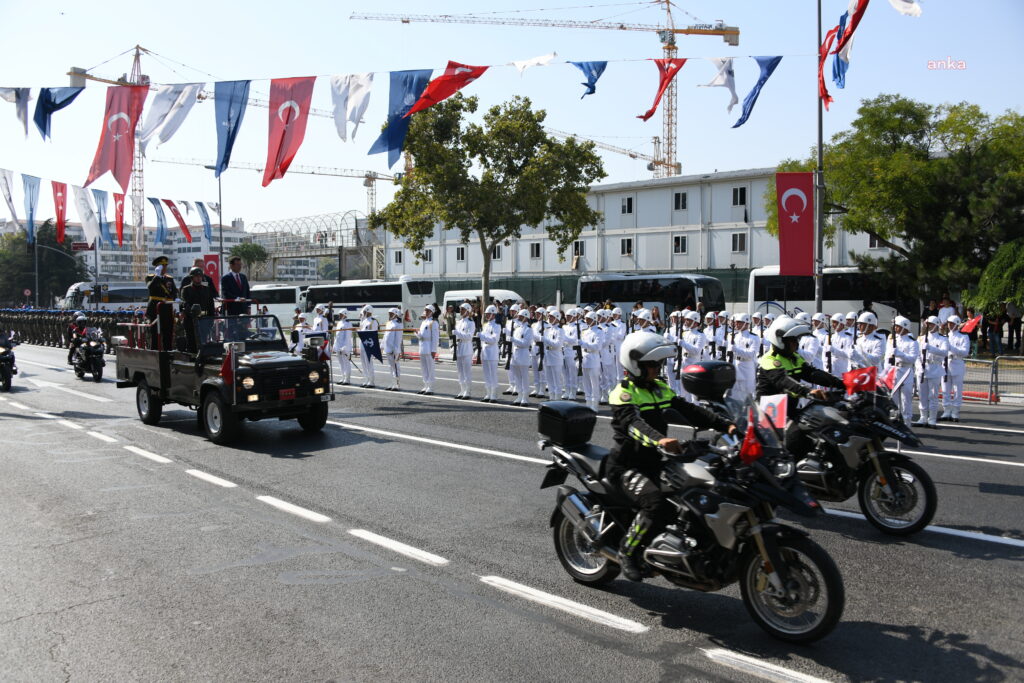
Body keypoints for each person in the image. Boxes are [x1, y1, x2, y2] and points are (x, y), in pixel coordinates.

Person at [609, 332, 737, 582]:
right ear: (635, 365)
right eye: (652, 365)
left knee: (692, 493)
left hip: (655, 462)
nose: (658, 369)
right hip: (627, 466)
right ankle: (627, 551)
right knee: (655, 502)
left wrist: (726, 425)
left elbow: (689, 410)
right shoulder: (623, 393)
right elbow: (633, 425)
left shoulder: (659, 389)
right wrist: (659, 440)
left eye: (659, 364)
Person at [755, 315, 845, 459]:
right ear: (781, 341)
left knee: (818, 429)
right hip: (772, 413)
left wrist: (841, 382)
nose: (796, 344)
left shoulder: (794, 358)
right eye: (793, 340)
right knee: (795, 440)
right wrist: (808, 391)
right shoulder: (770, 360)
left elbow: (812, 373)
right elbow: (784, 381)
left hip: (790, 409)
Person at [914, 316, 948, 428]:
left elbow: (944, 352)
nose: (929, 327)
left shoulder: (943, 339)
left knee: (933, 395)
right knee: (922, 395)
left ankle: (932, 418)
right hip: (923, 368)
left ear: (937, 325)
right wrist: (919, 367)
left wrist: (930, 348)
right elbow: (917, 355)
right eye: (928, 324)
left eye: (932, 324)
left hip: (935, 368)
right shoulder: (921, 338)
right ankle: (923, 417)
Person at [888, 317, 920, 425]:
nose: (895, 328)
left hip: (906, 370)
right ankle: (894, 421)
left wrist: (900, 354)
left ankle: (907, 422)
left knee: (906, 398)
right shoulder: (893, 339)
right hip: (894, 370)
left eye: (898, 326)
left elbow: (912, 359)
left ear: (905, 327)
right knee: (893, 398)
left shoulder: (912, 342)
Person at [940, 315, 970, 422]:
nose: (949, 325)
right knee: (945, 389)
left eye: (952, 323)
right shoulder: (945, 336)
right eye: (949, 323)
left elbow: (965, 352)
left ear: (957, 324)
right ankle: (946, 410)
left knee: (957, 389)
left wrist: (951, 348)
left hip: (957, 363)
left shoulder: (963, 337)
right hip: (946, 363)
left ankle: (955, 411)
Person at [180, 267, 216, 352]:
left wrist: (211, 318)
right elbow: (184, 303)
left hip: (204, 319)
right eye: (196, 276)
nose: (199, 278)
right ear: (192, 278)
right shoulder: (186, 289)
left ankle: (203, 356)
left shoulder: (206, 289)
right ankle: (192, 358)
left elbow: (211, 304)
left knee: (203, 340)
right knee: (191, 340)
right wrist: (192, 314)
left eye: (200, 276)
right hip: (191, 319)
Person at [145, 256, 177, 350]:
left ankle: (168, 351)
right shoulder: (150, 277)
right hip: (155, 308)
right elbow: (151, 288)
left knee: (168, 331)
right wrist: (157, 276)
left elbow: (174, 292)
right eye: (161, 266)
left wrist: (175, 298)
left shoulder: (169, 278)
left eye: (165, 266)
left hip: (167, 309)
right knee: (155, 332)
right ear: (157, 267)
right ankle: (154, 351)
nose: (164, 268)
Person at [729, 313, 759, 404]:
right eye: (736, 323)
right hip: (736, 365)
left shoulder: (754, 337)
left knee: (748, 393)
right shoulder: (735, 336)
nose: (737, 325)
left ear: (746, 323)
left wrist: (736, 349)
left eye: (740, 323)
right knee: (736, 393)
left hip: (747, 366)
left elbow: (751, 354)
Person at [510, 308, 534, 406]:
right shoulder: (517, 328)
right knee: (517, 376)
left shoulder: (529, 329)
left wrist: (514, 340)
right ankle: (519, 395)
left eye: (521, 316)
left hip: (523, 353)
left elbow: (526, 343)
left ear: (525, 317)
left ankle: (525, 396)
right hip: (515, 353)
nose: (518, 317)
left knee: (524, 377)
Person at [478, 305, 502, 402]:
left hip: (492, 352)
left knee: (493, 374)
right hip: (485, 351)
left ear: (493, 314)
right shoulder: (485, 325)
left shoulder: (497, 326)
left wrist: (482, 337)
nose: (487, 315)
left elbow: (494, 339)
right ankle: (488, 393)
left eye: (488, 314)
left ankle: (493, 395)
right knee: (486, 374)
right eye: (486, 314)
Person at [415, 304, 439, 395]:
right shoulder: (424, 322)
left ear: (432, 312)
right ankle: (425, 385)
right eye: (426, 310)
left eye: (428, 311)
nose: (426, 312)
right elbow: (422, 336)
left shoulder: (434, 323)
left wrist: (433, 350)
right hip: (422, 347)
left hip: (429, 347)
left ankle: (430, 387)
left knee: (430, 368)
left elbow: (435, 338)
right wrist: (417, 334)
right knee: (424, 368)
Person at [454, 302, 476, 399]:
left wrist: (458, 333)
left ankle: (468, 391)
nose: (460, 311)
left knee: (466, 371)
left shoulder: (471, 323)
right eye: (460, 309)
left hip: (466, 348)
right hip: (459, 347)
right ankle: (462, 389)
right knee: (460, 371)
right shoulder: (459, 322)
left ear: (467, 311)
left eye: (462, 309)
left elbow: (468, 336)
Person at [358, 305, 379, 388]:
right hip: (362, 344)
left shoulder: (373, 321)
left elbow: (374, 335)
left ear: (368, 311)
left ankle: (371, 381)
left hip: (368, 344)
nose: (363, 313)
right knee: (363, 363)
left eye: (364, 312)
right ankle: (366, 379)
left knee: (369, 363)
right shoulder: (364, 321)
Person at [383, 307, 404, 391]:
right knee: (391, 367)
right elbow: (385, 335)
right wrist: (382, 346)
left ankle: (396, 384)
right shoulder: (388, 323)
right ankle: (392, 383)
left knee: (395, 367)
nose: (390, 315)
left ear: (395, 314)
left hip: (394, 349)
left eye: (391, 313)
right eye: (389, 313)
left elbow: (398, 339)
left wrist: (396, 350)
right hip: (388, 348)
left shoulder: (398, 324)